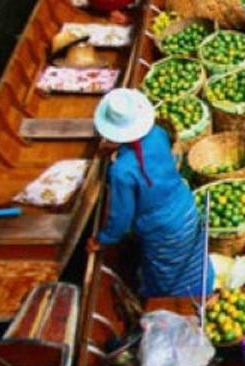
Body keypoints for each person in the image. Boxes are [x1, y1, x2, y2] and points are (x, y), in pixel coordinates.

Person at [86, 89, 213, 298]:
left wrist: (102, 239)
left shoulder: (121, 171)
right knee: (193, 258)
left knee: (168, 273)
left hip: (161, 227)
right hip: (185, 207)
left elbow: (121, 219)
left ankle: (179, 303)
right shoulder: (158, 134)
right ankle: (204, 290)